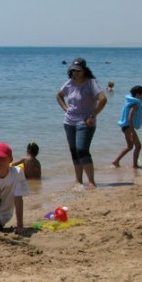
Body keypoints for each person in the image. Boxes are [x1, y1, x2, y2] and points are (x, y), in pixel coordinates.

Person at [56, 57, 108, 188]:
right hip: (69, 121)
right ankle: (78, 181)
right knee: (74, 151)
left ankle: (91, 181)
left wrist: (93, 115)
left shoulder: (91, 83)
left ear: (84, 70)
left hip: (85, 121)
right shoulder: (70, 83)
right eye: (73, 70)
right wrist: (65, 108)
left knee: (82, 150)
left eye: (78, 70)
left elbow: (103, 99)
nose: (76, 73)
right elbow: (59, 95)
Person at [112, 85, 142, 168]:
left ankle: (116, 161)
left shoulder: (130, 102)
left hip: (126, 127)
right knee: (138, 146)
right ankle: (134, 165)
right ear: (138, 95)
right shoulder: (135, 104)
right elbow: (130, 117)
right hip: (128, 127)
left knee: (130, 146)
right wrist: (131, 129)